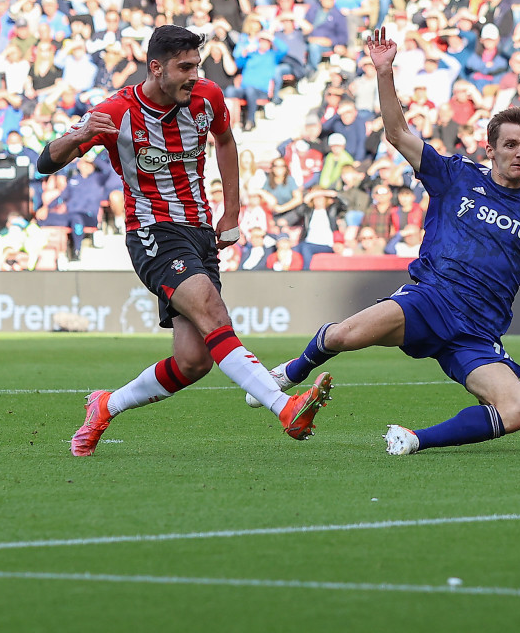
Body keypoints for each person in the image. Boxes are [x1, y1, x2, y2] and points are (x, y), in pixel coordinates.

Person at [259, 29, 520, 456]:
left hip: (477, 333)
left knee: (519, 409)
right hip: (429, 301)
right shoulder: (456, 175)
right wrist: (384, 72)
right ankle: (289, 375)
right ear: (491, 149)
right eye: (511, 145)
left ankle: (413, 440)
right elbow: (397, 133)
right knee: (343, 336)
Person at [38, 26, 332, 457]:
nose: (195, 75)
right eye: (185, 67)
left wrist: (232, 210)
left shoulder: (207, 97)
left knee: (194, 361)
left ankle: (106, 404)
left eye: (198, 65)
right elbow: (47, 161)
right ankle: (285, 407)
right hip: (152, 233)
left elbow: (227, 142)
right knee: (213, 310)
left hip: (199, 234)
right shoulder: (117, 111)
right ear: (156, 68)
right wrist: (77, 136)